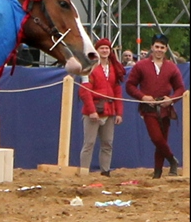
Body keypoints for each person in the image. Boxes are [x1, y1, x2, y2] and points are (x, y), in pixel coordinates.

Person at [125, 33, 186, 178]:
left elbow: (180, 88)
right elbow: (130, 86)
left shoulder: (171, 67)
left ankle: (157, 172)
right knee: (156, 138)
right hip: (149, 108)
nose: (159, 50)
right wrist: (143, 97)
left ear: (166, 49)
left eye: (162, 47)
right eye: (157, 47)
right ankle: (172, 160)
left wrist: (171, 99)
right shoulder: (141, 65)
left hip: (165, 108)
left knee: (162, 141)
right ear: (152, 47)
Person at [79, 38, 125, 177]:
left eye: (107, 48)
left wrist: (119, 113)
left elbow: (117, 91)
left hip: (109, 110)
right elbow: (85, 91)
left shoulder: (114, 68)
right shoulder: (89, 67)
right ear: (96, 50)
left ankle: (105, 171)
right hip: (93, 111)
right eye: (102, 48)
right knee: (89, 143)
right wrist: (92, 111)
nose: (105, 51)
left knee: (107, 143)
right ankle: (84, 172)